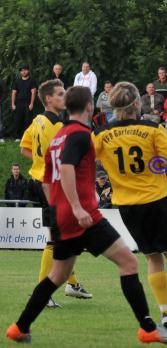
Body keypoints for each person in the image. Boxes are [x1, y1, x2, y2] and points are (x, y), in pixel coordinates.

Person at [5, 85, 167, 344]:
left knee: (58, 275)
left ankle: (19, 327)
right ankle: (147, 328)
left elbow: (46, 177)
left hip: (61, 214)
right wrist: (77, 207)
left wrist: (59, 207)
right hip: (83, 215)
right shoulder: (79, 134)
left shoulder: (60, 136)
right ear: (90, 106)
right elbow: (66, 168)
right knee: (129, 263)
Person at [92, 81, 167, 335]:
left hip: (127, 205)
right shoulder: (152, 128)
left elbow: (90, 161)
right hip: (156, 199)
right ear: (137, 103)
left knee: (151, 257)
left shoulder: (102, 134)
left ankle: (164, 312)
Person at [21, 79, 91, 306]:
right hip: (51, 185)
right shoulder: (59, 127)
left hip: (39, 178)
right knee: (56, 238)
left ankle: (71, 283)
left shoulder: (38, 120)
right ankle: (43, 293)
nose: (65, 98)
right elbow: (65, 160)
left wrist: (42, 163)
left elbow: (25, 148)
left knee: (67, 235)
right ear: (48, 99)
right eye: (60, 94)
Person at [11, 64, 38, 140]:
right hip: (18, 103)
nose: (23, 72)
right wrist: (13, 104)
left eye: (25, 70)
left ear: (28, 71)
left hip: (28, 103)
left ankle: (27, 137)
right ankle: (17, 137)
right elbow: (14, 93)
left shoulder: (32, 81)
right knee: (17, 120)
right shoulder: (17, 81)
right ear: (20, 72)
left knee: (28, 120)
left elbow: (33, 92)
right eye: (22, 70)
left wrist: (32, 103)